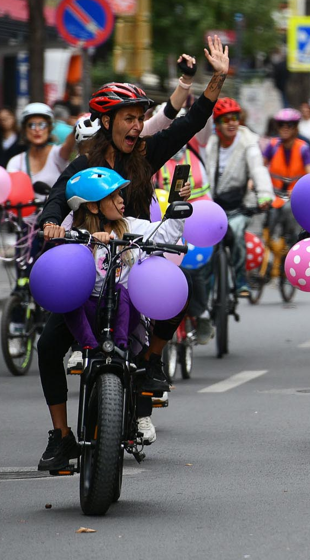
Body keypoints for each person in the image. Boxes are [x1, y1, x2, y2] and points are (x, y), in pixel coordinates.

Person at [37, 37, 228, 449]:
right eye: (128, 118)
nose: (137, 125)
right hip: (91, 265)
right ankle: (61, 434)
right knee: (48, 345)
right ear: (107, 122)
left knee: (181, 292)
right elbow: (55, 199)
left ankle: (151, 360)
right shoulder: (83, 163)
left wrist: (218, 78)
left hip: (135, 259)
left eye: (140, 118)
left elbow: (190, 122)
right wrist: (52, 223)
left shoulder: (147, 153)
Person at [35, 167, 188, 469]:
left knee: (125, 296)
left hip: (121, 313)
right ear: (92, 205)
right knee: (46, 347)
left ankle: (134, 400)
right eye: (114, 195)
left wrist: (177, 209)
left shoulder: (129, 225)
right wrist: (64, 234)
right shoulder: (71, 229)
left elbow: (165, 232)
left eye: (121, 194)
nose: (122, 200)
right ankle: (61, 435)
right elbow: (57, 256)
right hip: (83, 314)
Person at [206, 98, 274, 299]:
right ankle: (207, 290)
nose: (232, 123)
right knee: (207, 245)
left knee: (235, 232)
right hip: (212, 206)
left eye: (235, 118)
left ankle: (240, 279)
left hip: (239, 206)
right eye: (226, 119)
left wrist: (264, 195)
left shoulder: (247, 141)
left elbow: (258, 170)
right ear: (217, 124)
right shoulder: (209, 144)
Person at [4, 103, 77, 193]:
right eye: (31, 125)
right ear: (24, 129)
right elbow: (9, 191)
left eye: (42, 125)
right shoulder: (16, 162)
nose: (37, 129)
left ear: (49, 128)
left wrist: (77, 128)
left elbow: (68, 146)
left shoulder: (57, 154)